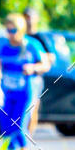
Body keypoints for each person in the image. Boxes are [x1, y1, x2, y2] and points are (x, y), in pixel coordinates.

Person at [0, 13, 51, 150]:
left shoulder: (32, 45)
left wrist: (33, 68)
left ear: (21, 30)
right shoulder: (3, 45)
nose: (10, 35)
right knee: (6, 125)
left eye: (13, 31)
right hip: (7, 92)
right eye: (8, 30)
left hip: (26, 91)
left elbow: (45, 65)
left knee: (19, 124)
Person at [23, 7, 56, 135]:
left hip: (34, 78)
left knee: (32, 109)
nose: (28, 21)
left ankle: (28, 136)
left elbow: (51, 58)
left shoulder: (40, 38)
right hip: (19, 78)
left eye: (30, 17)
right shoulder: (21, 37)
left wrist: (35, 61)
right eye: (26, 17)